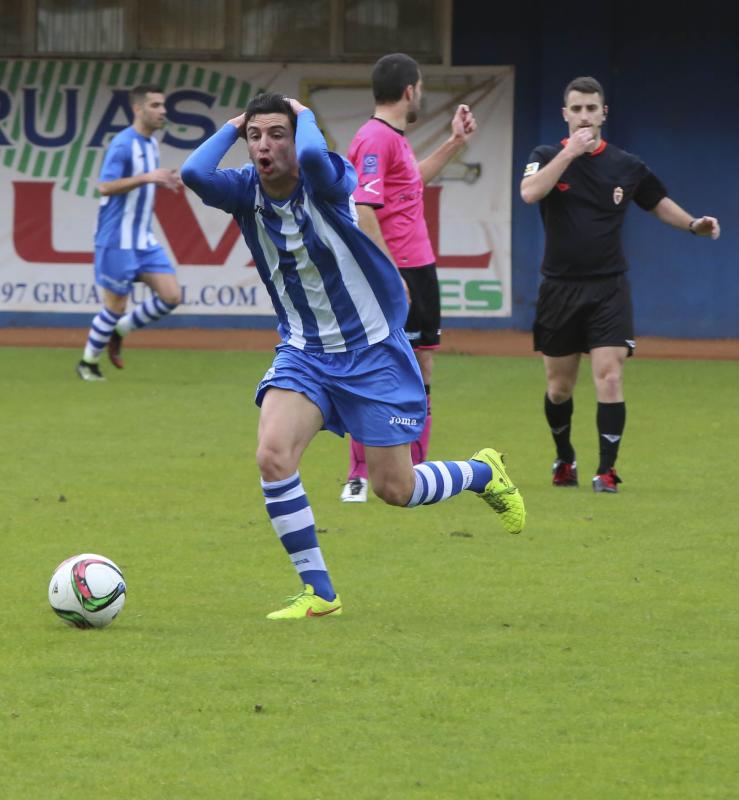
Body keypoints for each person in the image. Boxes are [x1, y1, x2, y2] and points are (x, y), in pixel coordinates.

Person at [181, 93, 524, 619]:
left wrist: (306, 116)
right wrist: (233, 126)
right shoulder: (244, 190)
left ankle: (483, 474)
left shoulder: (327, 175)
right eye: (256, 136)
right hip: (305, 353)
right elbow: (193, 172)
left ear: (298, 137)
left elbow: (315, 159)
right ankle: (320, 592)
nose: (265, 145)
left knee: (396, 487)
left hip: (371, 351)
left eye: (278, 134)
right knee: (273, 455)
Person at [521, 76, 720, 492]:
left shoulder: (626, 165)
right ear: (565, 114)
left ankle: (606, 470)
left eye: (591, 108)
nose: (584, 116)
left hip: (608, 287)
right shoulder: (545, 155)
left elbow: (655, 201)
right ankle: (564, 458)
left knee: (610, 376)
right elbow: (530, 193)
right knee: (558, 389)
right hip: (559, 288)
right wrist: (569, 154)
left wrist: (692, 225)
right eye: (576, 109)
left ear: (604, 113)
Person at [340, 52, 477, 503]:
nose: (422, 93)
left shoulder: (391, 138)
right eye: (420, 86)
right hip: (400, 270)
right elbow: (363, 208)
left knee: (420, 366)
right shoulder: (376, 138)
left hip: (415, 267)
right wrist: (389, 273)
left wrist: (454, 142)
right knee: (381, 367)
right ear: (409, 91)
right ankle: (362, 474)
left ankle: (414, 472)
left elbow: (409, 184)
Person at [76, 84, 183, 381]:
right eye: (156, 106)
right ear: (138, 109)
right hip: (115, 240)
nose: (163, 111)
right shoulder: (123, 144)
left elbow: (144, 181)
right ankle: (87, 363)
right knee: (115, 305)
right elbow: (104, 186)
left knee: (171, 296)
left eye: (163, 105)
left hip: (143, 239)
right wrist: (148, 177)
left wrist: (164, 179)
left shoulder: (151, 144)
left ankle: (120, 330)